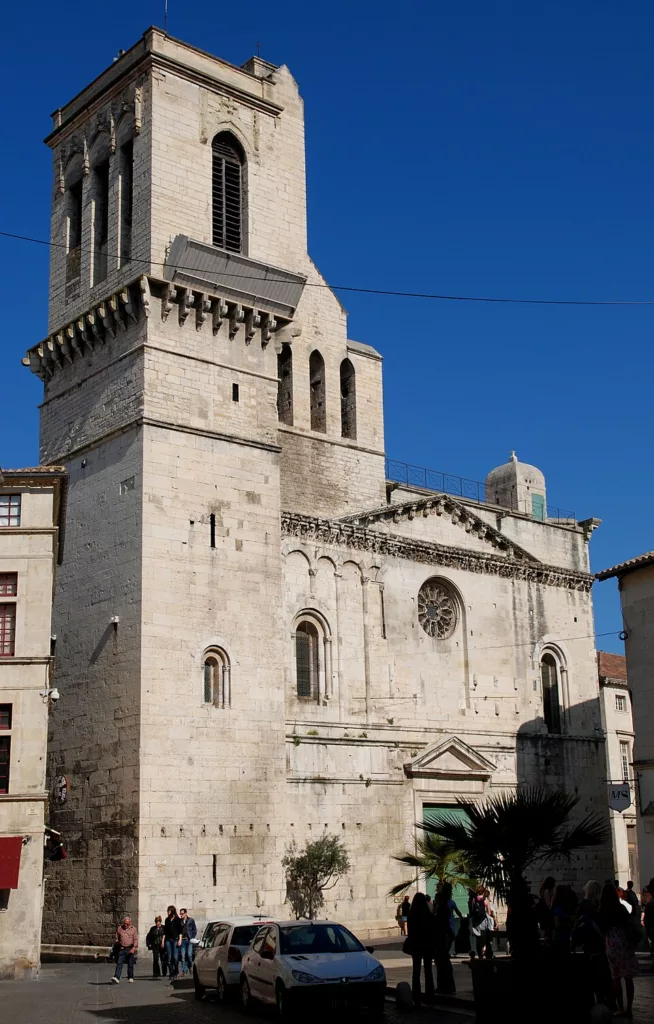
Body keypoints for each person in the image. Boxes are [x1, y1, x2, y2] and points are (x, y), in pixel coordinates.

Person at [599, 881, 638, 1018]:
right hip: (624, 942)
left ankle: (620, 1007)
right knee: (628, 977)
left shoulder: (602, 910)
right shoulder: (620, 908)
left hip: (611, 943)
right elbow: (629, 923)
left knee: (615, 977)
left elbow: (601, 928)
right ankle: (629, 1008)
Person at [571, 880, 612, 1007]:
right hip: (600, 945)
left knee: (590, 976)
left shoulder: (582, 905)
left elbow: (576, 924)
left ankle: (591, 1001)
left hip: (587, 946)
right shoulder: (600, 907)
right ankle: (605, 1000)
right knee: (603, 975)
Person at [407, 892, 435, 1007]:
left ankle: (416, 997)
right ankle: (429, 996)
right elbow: (432, 929)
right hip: (427, 944)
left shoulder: (411, 915)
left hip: (416, 944)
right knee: (428, 971)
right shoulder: (428, 914)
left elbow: (410, 931)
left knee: (416, 971)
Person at [433, 884, 456, 994]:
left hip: (442, 938)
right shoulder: (443, 907)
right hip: (443, 937)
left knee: (442, 962)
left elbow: (440, 924)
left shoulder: (443, 908)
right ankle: (447, 985)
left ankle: (445, 986)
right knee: (443, 962)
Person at [551, 884, 578, 954]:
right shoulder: (558, 909)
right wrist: (568, 923)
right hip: (560, 940)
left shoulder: (561, 908)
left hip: (564, 938)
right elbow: (557, 925)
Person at [111, 915, 138, 984]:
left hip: (130, 948)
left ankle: (130, 977)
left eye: (127, 924)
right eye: (125, 923)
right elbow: (117, 937)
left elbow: (135, 939)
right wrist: (118, 944)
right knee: (119, 963)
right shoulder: (120, 928)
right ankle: (117, 977)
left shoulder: (133, 929)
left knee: (130, 963)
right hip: (122, 948)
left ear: (130, 923)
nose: (125, 925)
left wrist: (134, 948)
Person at [469, 885, 494, 959]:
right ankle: (486, 953)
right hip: (483, 922)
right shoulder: (485, 900)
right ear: (483, 892)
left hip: (476, 923)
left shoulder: (474, 900)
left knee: (478, 939)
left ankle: (480, 956)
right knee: (485, 939)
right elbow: (489, 913)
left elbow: (472, 910)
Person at [163, 905, 183, 981]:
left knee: (175, 957)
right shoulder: (167, 920)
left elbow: (180, 931)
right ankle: (171, 973)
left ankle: (176, 971)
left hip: (175, 939)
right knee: (169, 957)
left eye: (169, 911)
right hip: (168, 940)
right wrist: (163, 941)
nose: (168, 912)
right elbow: (165, 931)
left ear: (172, 911)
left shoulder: (177, 920)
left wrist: (180, 940)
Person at [179, 908, 197, 976]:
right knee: (183, 956)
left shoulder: (191, 920)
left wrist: (192, 937)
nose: (181, 915)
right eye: (180, 914)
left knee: (189, 955)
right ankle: (184, 970)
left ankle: (190, 967)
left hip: (189, 939)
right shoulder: (180, 921)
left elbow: (194, 930)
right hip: (182, 940)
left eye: (182, 914)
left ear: (186, 913)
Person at [538, 876, 556, 944]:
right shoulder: (546, 891)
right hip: (547, 914)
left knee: (548, 931)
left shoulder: (545, 890)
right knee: (549, 930)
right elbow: (548, 904)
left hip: (546, 913)